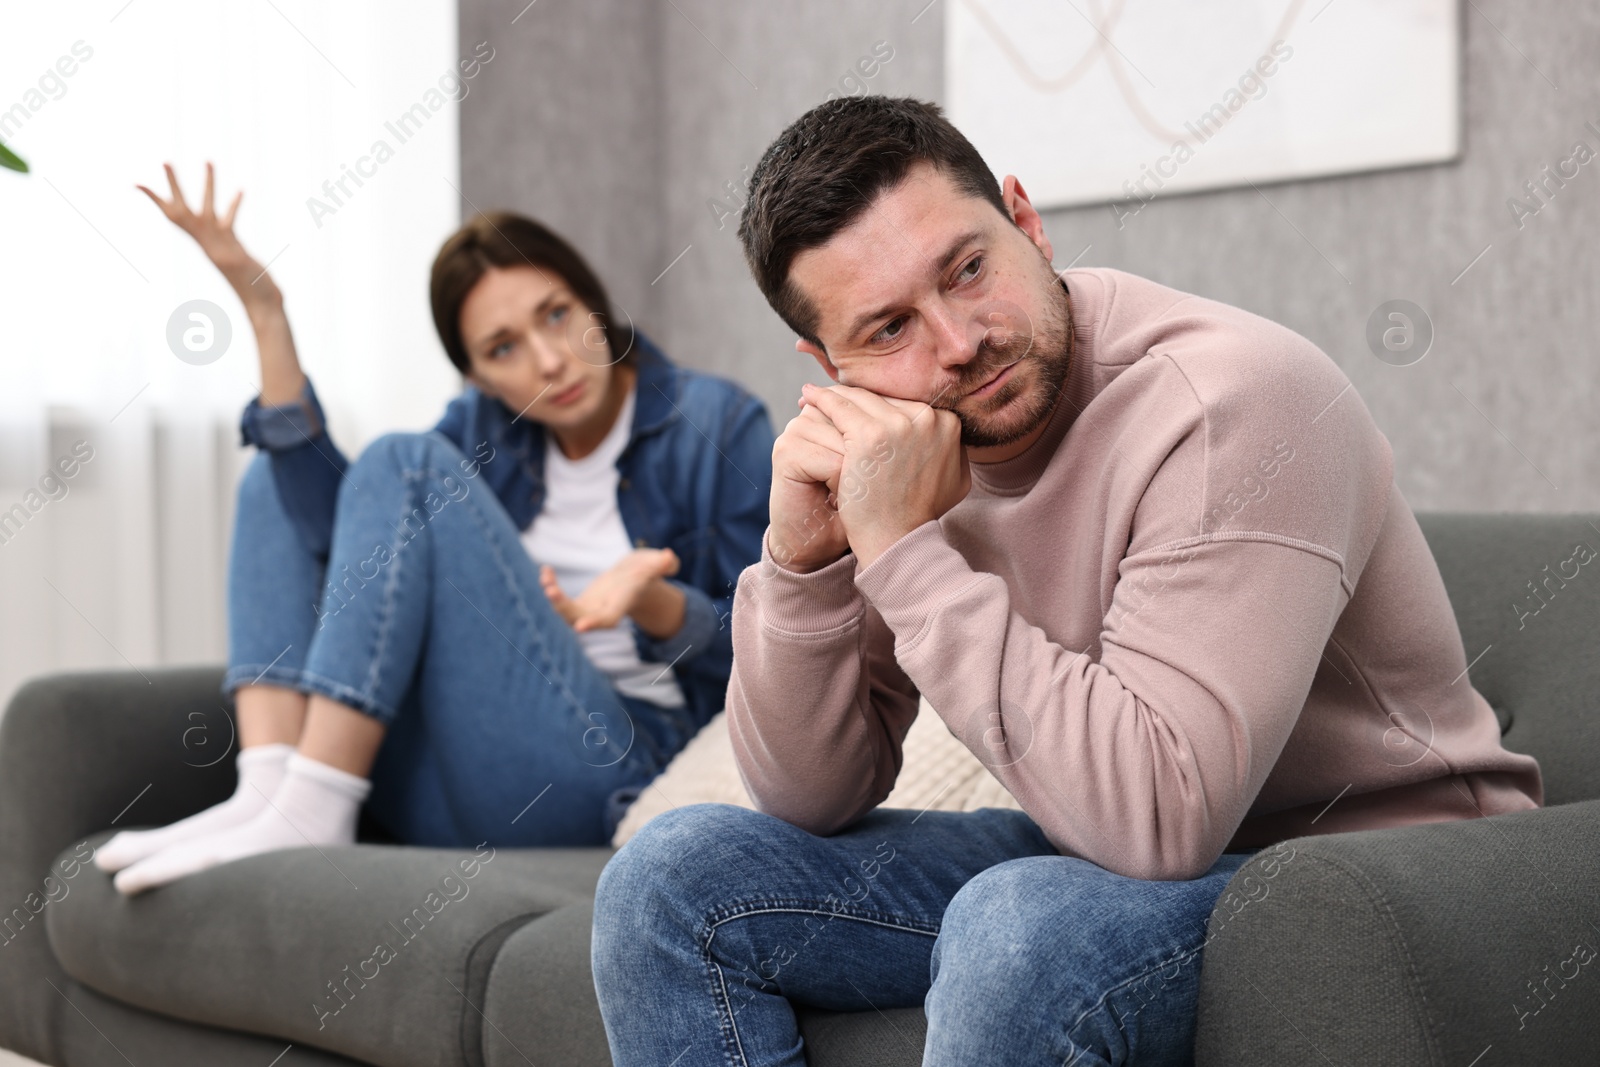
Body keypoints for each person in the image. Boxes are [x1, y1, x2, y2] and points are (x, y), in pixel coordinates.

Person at [589, 96, 1545, 1066]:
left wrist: (904, 555)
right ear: (828, 364)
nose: (958, 342)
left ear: (1024, 218)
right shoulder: (909, 448)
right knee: (671, 879)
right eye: (887, 329)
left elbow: (1159, 817)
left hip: (1388, 868)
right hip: (1109, 854)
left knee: (1024, 927)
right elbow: (813, 797)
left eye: (967, 269)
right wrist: (805, 562)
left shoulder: (1233, 403)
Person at [95, 163, 773, 895]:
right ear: (479, 376)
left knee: (404, 463)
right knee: (275, 478)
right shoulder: (483, 431)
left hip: (603, 770)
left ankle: (309, 806)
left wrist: (653, 604)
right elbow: (326, 530)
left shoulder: (717, 423)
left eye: (556, 313)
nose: (550, 360)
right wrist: (268, 316)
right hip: (456, 777)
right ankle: (270, 791)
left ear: (595, 303)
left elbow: (772, 655)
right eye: (503, 348)